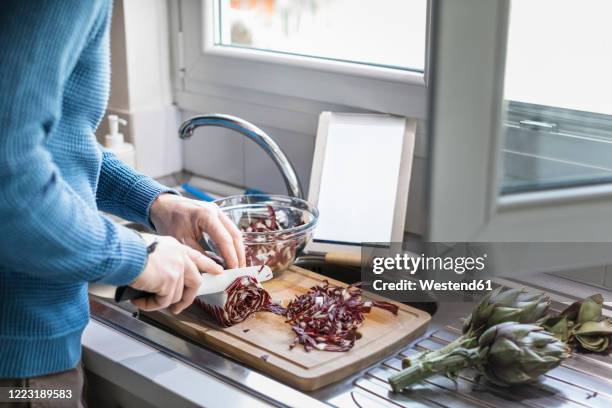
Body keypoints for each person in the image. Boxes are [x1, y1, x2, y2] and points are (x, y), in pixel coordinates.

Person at [0, 1, 245, 405]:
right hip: (19, 377)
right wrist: (140, 259)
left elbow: (56, 145)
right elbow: (11, 182)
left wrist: (156, 203)